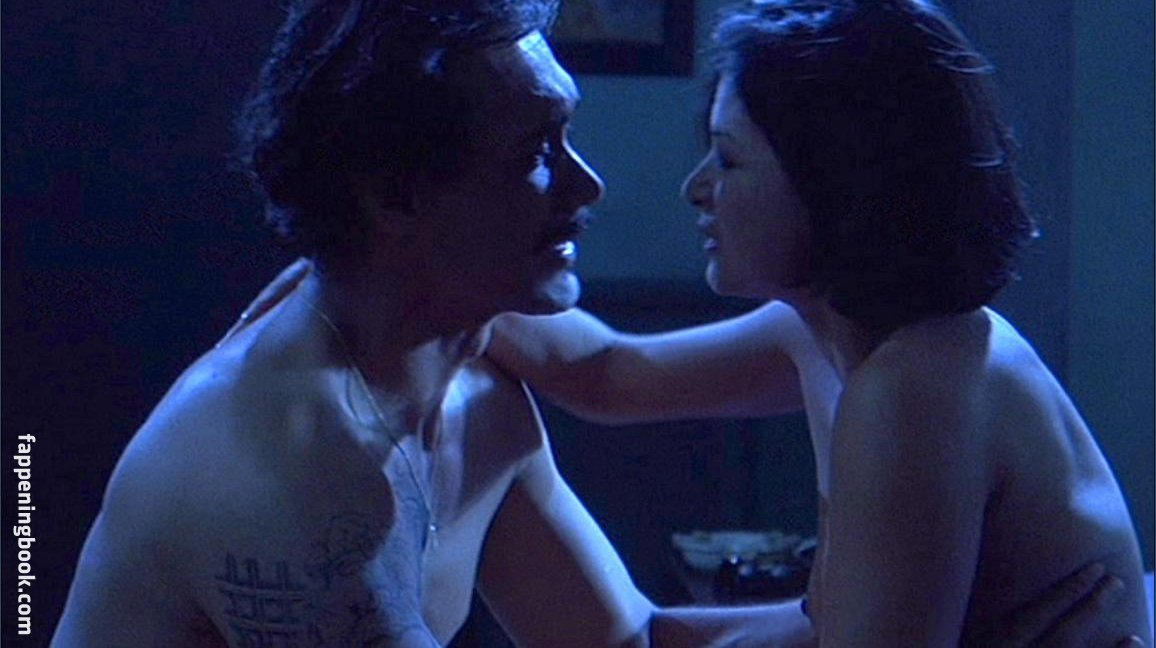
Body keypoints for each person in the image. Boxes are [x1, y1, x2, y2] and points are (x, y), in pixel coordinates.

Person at [51, 0, 1139, 646]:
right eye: (538, 151)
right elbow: (616, 387)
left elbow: (621, 637)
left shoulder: (473, 384)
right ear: (394, 200)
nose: (595, 188)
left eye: (727, 159)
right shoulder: (292, 473)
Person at [484, 0, 1153, 646]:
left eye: (729, 158)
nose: (697, 187)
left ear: (837, 181)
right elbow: (609, 376)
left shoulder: (916, 383)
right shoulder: (825, 332)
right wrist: (456, 271)